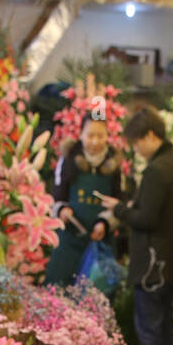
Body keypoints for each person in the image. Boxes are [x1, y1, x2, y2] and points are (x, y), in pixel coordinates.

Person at [99, 106, 173, 345]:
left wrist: (119, 211)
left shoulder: (157, 170)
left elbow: (147, 218)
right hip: (170, 263)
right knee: (164, 329)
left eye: (138, 141)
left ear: (151, 136)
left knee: (150, 331)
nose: (137, 149)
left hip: (153, 266)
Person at [44, 115, 124, 287]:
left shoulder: (114, 164)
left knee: (95, 295)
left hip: (100, 242)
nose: (95, 141)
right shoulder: (69, 158)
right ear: (80, 134)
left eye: (100, 136)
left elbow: (120, 201)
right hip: (69, 239)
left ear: (107, 136)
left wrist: (104, 223)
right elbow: (56, 195)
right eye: (90, 136)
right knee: (58, 288)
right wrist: (62, 210)